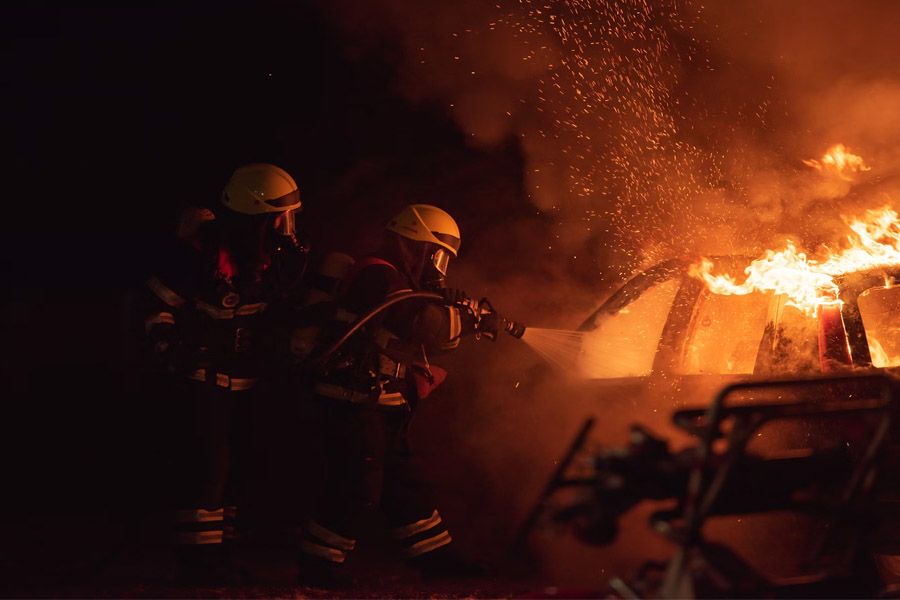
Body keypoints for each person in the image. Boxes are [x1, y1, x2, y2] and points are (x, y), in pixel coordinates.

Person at [294, 204, 501, 587]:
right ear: (417, 245)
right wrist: (472, 320)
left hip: (379, 398)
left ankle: (434, 556)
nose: (439, 267)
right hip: (351, 398)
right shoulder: (378, 275)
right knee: (358, 484)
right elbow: (424, 325)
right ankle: (318, 562)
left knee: (403, 482)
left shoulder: (397, 278)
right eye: (438, 256)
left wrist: (460, 314)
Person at [139, 163, 307, 583]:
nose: (287, 229)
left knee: (237, 470)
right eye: (281, 219)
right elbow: (156, 307)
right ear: (258, 219)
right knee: (208, 470)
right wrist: (168, 345)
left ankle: (221, 553)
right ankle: (199, 561)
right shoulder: (201, 257)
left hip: (246, 383)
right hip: (205, 382)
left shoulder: (269, 261)